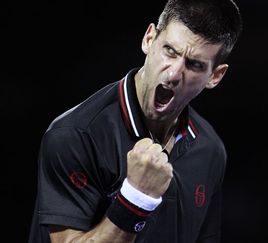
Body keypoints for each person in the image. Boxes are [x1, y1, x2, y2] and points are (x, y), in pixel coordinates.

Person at [28, 0, 242, 242]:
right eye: (170, 50)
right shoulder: (74, 135)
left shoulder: (210, 149)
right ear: (149, 39)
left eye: (194, 65)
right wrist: (135, 199)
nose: (173, 74)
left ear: (215, 76)